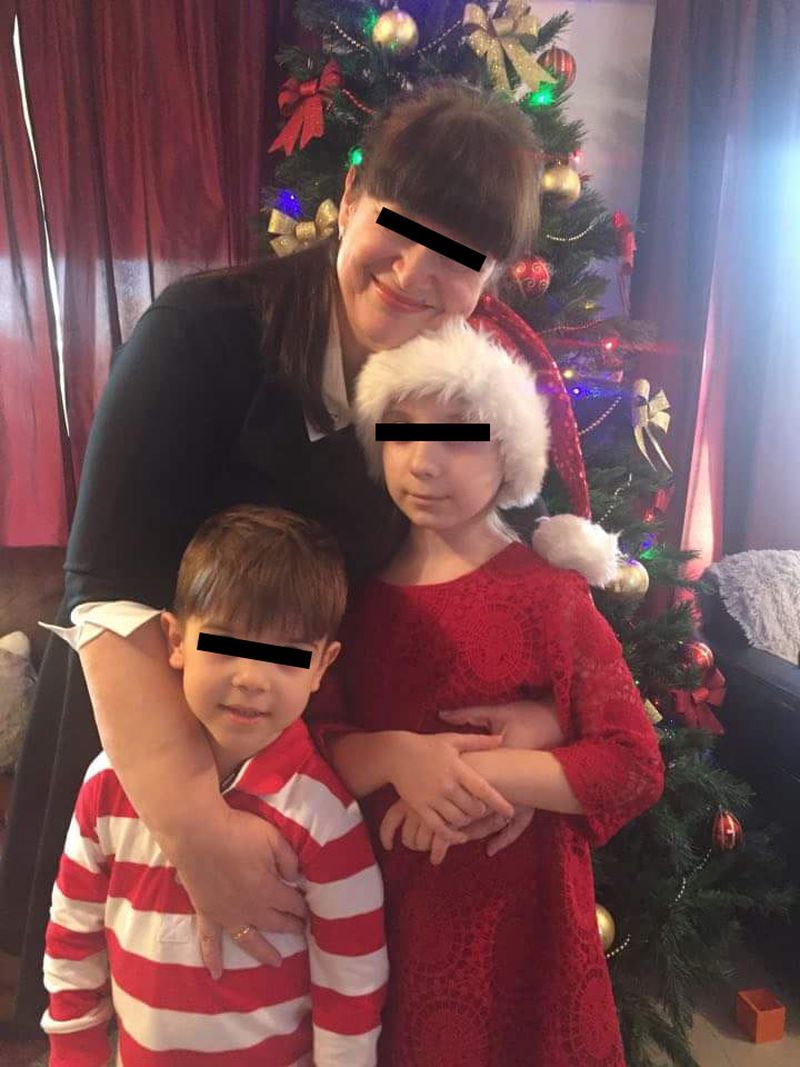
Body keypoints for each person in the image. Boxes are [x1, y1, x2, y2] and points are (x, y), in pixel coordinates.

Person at [0, 77, 572, 1034]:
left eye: (458, 258)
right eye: (400, 226)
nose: (415, 272)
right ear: (350, 198)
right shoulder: (200, 331)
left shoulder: (463, 386)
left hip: (324, 774)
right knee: (137, 1018)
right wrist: (194, 826)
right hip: (148, 744)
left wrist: (531, 728)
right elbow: (106, 593)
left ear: (492, 279)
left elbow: (507, 567)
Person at [305, 317, 666, 1066]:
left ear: (509, 457)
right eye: (402, 433)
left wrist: (491, 774)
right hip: (396, 920)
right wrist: (399, 757)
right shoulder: (354, 602)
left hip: (527, 924)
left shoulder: (549, 596)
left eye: (459, 436)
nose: (424, 461)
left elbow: (632, 763)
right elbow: (316, 747)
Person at [40, 505, 389, 1065]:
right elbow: (72, 928)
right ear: (175, 639)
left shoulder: (324, 813)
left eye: (286, 655)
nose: (251, 678)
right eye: (225, 644)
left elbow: (352, 976)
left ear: (323, 666)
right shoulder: (108, 783)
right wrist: (74, 1048)